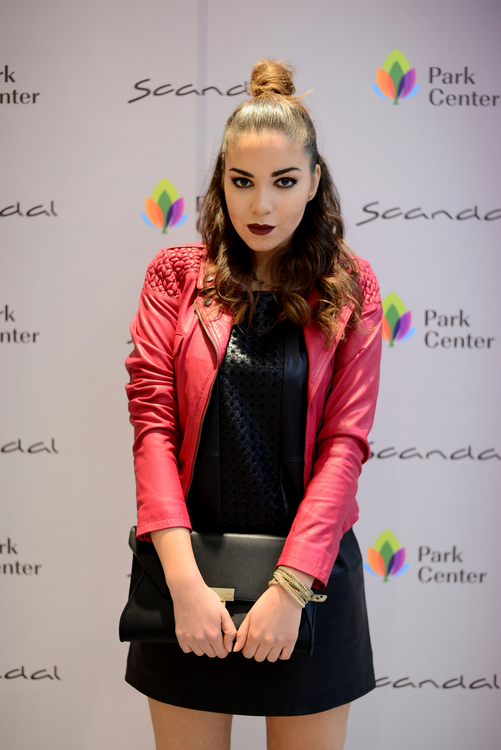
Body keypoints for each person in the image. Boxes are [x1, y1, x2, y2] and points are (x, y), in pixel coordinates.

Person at [125, 59, 382, 750]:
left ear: (315, 181)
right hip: (188, 583)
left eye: (283, 182)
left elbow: (344, 445)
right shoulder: (175, 277)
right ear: (221, 181)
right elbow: (152, 428)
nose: (260, 206)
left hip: (309, 586)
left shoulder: (351, 285)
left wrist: (289, 590)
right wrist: (183, 583)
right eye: (242, 182)